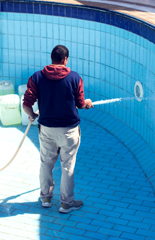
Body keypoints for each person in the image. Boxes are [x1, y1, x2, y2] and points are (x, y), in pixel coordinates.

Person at [22, 45, 94, 213]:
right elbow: (81, 103)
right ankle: (66, 203)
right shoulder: (75, 78)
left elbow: (26, 103)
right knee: (68, 166)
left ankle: (46, 198)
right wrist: (87, 104)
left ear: (51, 58)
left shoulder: (37, 77)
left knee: (46, 163)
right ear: (65, 59)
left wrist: (32, 114)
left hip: (46, 129)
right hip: (69, 130)